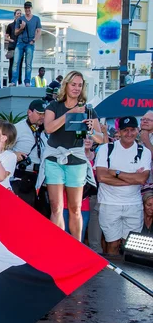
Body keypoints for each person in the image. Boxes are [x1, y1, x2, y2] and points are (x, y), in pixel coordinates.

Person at [41, 71, 104, 241]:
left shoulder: (88, 110)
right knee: (56, 207)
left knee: (75, 208)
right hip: (54, 159)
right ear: (66, 85)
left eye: (79, 85)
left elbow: (101, 138)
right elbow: (49, 128)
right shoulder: (54, 106)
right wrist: (70, 113)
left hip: (76, 161)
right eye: (73, 84)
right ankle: (58, 246)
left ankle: (77, 248)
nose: (76, 88)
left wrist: (91, 130)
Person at [95, 116, 150, 257]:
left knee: (131, 246)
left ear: (137, 130)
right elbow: (101, 177)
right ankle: (112, 277)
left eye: (132, 130)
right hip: (109, 204)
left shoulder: (144, 151)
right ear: (119, 131)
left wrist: (116, 173)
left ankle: (130, 277)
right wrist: (132, 179)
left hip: (133, 204)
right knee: (112, 244)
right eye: (125, 130)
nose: (129, 133)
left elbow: (142, 178)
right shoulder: (106, 149)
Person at [11, 99, 48, 207]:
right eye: (39, 113)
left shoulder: (45, 131)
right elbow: (3, 149)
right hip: (22, 178)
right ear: (29, 112)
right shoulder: (17, 128)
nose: (42, 116)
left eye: (44, 114)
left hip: (40, 179)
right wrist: (14, 154)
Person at [62, 136, 95, 244]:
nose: (87, 140)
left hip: (83, 204)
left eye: (90, 138)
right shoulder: (66, 155)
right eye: (84, 138)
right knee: (63, 237)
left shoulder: (98, 157)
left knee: (78, 240)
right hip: (64, 203)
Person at [11, 1, 42, 87]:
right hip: (20, 42)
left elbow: (39, 31)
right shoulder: (20, 19)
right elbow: (15, 32)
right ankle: (14, 81)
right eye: (26, 8)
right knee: (16, 62)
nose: (27, 9)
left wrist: (34, 40)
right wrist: (21, 28)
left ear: (31, 8)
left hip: (30, 43)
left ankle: (27, 81)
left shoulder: (36, 19)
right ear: (24, 9)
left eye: (29, 8)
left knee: (28, 64)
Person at [5, 9, 23, 86]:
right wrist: (11, 40)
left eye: (20, 14)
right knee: (12, 64)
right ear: (15, 15)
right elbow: (5, 37)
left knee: (20, 64)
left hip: (21, 47)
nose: (19, 15)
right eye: (18, 13)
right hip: (12, 47)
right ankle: (11, 81)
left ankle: (19, 81)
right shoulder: (10, 25)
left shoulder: (23, 25)